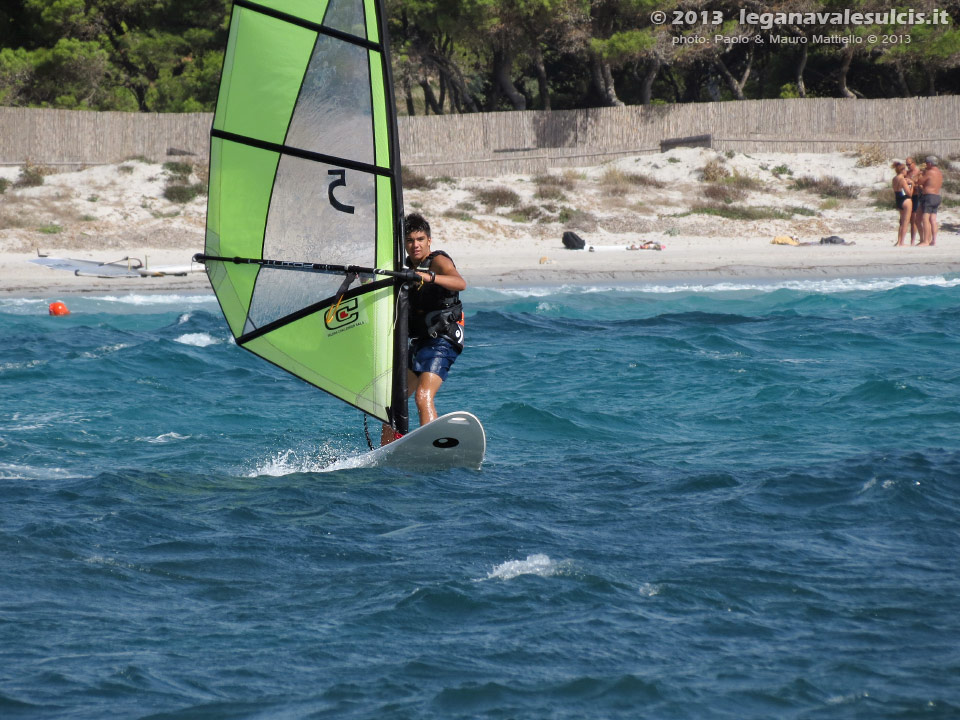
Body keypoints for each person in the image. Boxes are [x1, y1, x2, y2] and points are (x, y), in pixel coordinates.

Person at [382, 213, 467, 444]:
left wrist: (429, 277)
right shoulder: (405, 268)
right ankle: (388, 451)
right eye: (410, 240)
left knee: (423, 396)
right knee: (393, 402)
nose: (415, 245)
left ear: (429, 240)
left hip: (444, 337)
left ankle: (430, 449)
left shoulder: (437, 260)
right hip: (420, 342)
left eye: (420, 239)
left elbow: (460, 283)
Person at [917, 156, 943, 247]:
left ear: (930, 163)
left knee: (925, 218)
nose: (926, 165)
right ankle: (934, 240)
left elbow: (920, 181)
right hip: (937, 196)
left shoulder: (930, 172)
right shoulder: (939, 173)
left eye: (927, 163)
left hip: (929, 196)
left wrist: (920, 174)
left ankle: (926, 241)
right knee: (933, 219)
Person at [891, 161, 914, 246]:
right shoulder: (902, 180)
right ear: (902, 170)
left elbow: (898, 190)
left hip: (898, 199)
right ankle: (902, 242)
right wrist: (912, 184)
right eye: (905, 170)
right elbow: (909, 193)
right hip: (905, 200)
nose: (906, 171)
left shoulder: (894, 179)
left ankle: (899, 241)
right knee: (905, 222)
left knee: (901, 221)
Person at [905, 157, 922, 244]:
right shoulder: (907, 173)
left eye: (909, 164)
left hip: (916, 196)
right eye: (907, 164)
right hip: (909, 196)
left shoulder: (919, 173)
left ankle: (914, 240)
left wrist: (913, 184)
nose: (908, 166)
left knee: (915, 219)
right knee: (909, 219)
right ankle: (911, 239)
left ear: (914, 163)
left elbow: (921, 185)